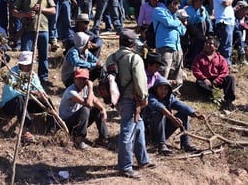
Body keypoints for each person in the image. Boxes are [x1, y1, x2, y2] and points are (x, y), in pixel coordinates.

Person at [106, 29, 155, 179]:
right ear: (133, 43)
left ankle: (143, 160)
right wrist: (144, 97)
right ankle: (125, 166)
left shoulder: (110, 58)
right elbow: (141, 82)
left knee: (138, 127)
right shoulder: (135, 59)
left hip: (118, 99)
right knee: (127, 133)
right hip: (131, 100)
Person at [0, 51, 55, 143]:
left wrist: (42, 95)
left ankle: (52, 127)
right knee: (20, 99)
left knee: (47, 100)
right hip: (11, 104)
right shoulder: (12, 74)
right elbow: (13, 92)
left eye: (30, 65)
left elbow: (39, 88)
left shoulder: (32, 75)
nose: (29, 67)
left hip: (27, 102)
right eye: (27, 65)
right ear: (21, 64)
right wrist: (32, 93)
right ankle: (25, 130)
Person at [12, 0, 56, 87]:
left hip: (43, 29)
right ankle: (23, 78)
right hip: (28, 30)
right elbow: (14, 12)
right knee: (25, 55)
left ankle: (43, 78)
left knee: (43, 55)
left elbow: (53, 10)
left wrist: (42, 9)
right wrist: (25, 14)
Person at [143, 76, 205, 155]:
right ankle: (161, 145)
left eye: (166, 89)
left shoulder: (169, 98)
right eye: (161, 88)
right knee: (160, 112)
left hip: (163, 131)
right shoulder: (150, 96)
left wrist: (195, 114)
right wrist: (172, 118)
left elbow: (180, 105)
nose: (164, 91)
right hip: (150, 133)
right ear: (155, 89)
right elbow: (159, 106)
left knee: (183, 113)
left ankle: (185, 144)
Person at [59, 68, 108, 150]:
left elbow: (95, 100)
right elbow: (88, 104)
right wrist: (90, 88)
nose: (81, 81)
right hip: (67, 123)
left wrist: (103, 109)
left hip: (78, 121)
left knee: (97, 110)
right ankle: (79, 140)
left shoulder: (85, 88)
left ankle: (103, 139)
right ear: (75, 79)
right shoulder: (71, 91)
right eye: (79, 79)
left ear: (87, 80)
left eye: (84, 79)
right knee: (85, 109)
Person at [192, 37, 236, 110]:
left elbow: (225, 72)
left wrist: (217, 80)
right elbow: (195, 69)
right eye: (206, 43)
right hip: (205, 81)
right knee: (199, 83)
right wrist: (204, 79)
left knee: (230, 78)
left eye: (210, 43)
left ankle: (228, 101)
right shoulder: (199, 57)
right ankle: (215, 96)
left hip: (217, 80)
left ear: (216, 47)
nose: (207, 45)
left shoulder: (221, 58)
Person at [152, 0, 187, 88]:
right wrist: (179, 22)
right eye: (177, 6)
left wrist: (178, 22)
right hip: (165, 45)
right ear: (172, 4)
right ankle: (159, 91)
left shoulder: (174, 17)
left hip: (177, 47)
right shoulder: (159, 11)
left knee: (177, 71)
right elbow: (167, 22)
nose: (178, 9)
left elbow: (183, 31)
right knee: (164, 70)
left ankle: (173, 92)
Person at [184, 0, 213, 66]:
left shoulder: (203, 9)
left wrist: (210, 31)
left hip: (200, 30)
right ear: (194, 1)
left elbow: (208, 19)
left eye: (201, 0)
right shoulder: (187, 9)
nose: (201, 2)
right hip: (189, 28)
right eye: (199, 0)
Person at [213, 0, 238, 65]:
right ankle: (225, 63)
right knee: (226, 44)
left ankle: (225, 62)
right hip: (224, 22)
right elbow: (225, 3)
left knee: (227, 44)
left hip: (228, 22)